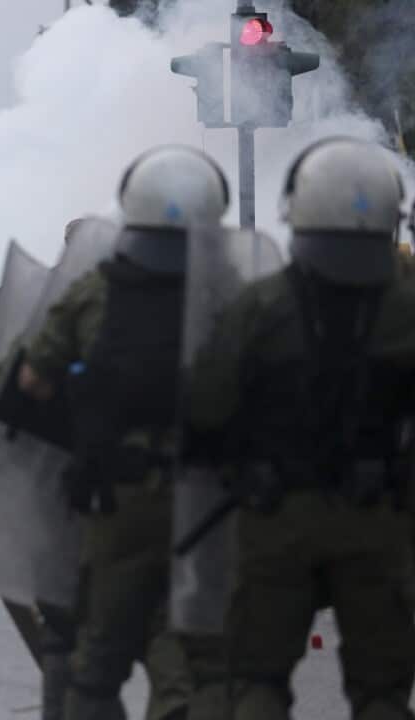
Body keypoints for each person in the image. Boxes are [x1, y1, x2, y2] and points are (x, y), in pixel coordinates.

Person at [185, 138, 415, 719]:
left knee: (258, 682)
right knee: (383, 693)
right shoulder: (409, 308)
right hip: (380, 519)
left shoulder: (259, 306)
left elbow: (205, 410)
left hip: (274, 517)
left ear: (297, 211)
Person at [14, 146, 231, 719]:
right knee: (189, 645)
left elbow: (32, 381)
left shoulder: (93, 293)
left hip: (120, 495)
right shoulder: (235, 292)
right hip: (212, 494)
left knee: (96, 654)